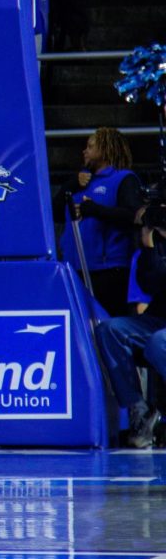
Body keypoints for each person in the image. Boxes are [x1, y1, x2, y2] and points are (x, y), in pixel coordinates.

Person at [56, 127, 140, 318]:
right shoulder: (81, 182)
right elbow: (56, 212)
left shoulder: (123, 178)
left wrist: (95, 210)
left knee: (106, 323)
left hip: (109, 269)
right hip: (76, 269)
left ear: (105, 149)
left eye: (90, 146)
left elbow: (132, 216)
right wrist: (71, 184)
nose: (84, 151)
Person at [96, 221, 166, 449]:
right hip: (158, 320)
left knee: (159, 341)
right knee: (110, 330)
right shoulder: (157, 244)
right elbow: (149, 286)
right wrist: (149, 247)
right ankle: (139, 411)